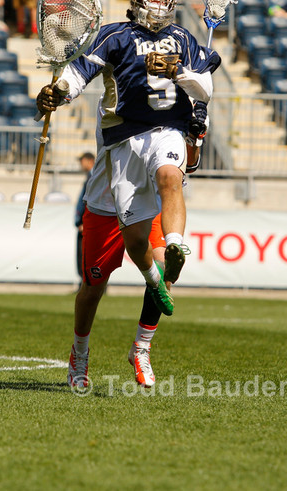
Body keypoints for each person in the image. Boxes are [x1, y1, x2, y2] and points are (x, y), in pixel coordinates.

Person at [37, 0, 222, 324]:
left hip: (165, 133)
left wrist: (177, 73)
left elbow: (204, 90)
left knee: (170, 178)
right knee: (114, 263)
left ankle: (175, 244)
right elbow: (77, 75)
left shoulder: (183, 38)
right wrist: (57, 93)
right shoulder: (114, 35)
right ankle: (84, 349)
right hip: (122, 144)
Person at [67, 94, 210, 389]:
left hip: (152, 204)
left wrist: (194, 136)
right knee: (93, 288)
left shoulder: (181, 98)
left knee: (163, 270)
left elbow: (190, 165)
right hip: (105, 205)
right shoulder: (120, 91)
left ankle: (141, 348)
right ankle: (79, 353)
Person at [74, 151, 95, 276]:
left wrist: (83, 222)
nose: (81, 164)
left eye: (82, 161)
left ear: (89, 161)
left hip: (87, 224)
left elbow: (88, 201)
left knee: (85, 255)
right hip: (85, 223)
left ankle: (88, 284)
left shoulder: (93, 177)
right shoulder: (90, 176)